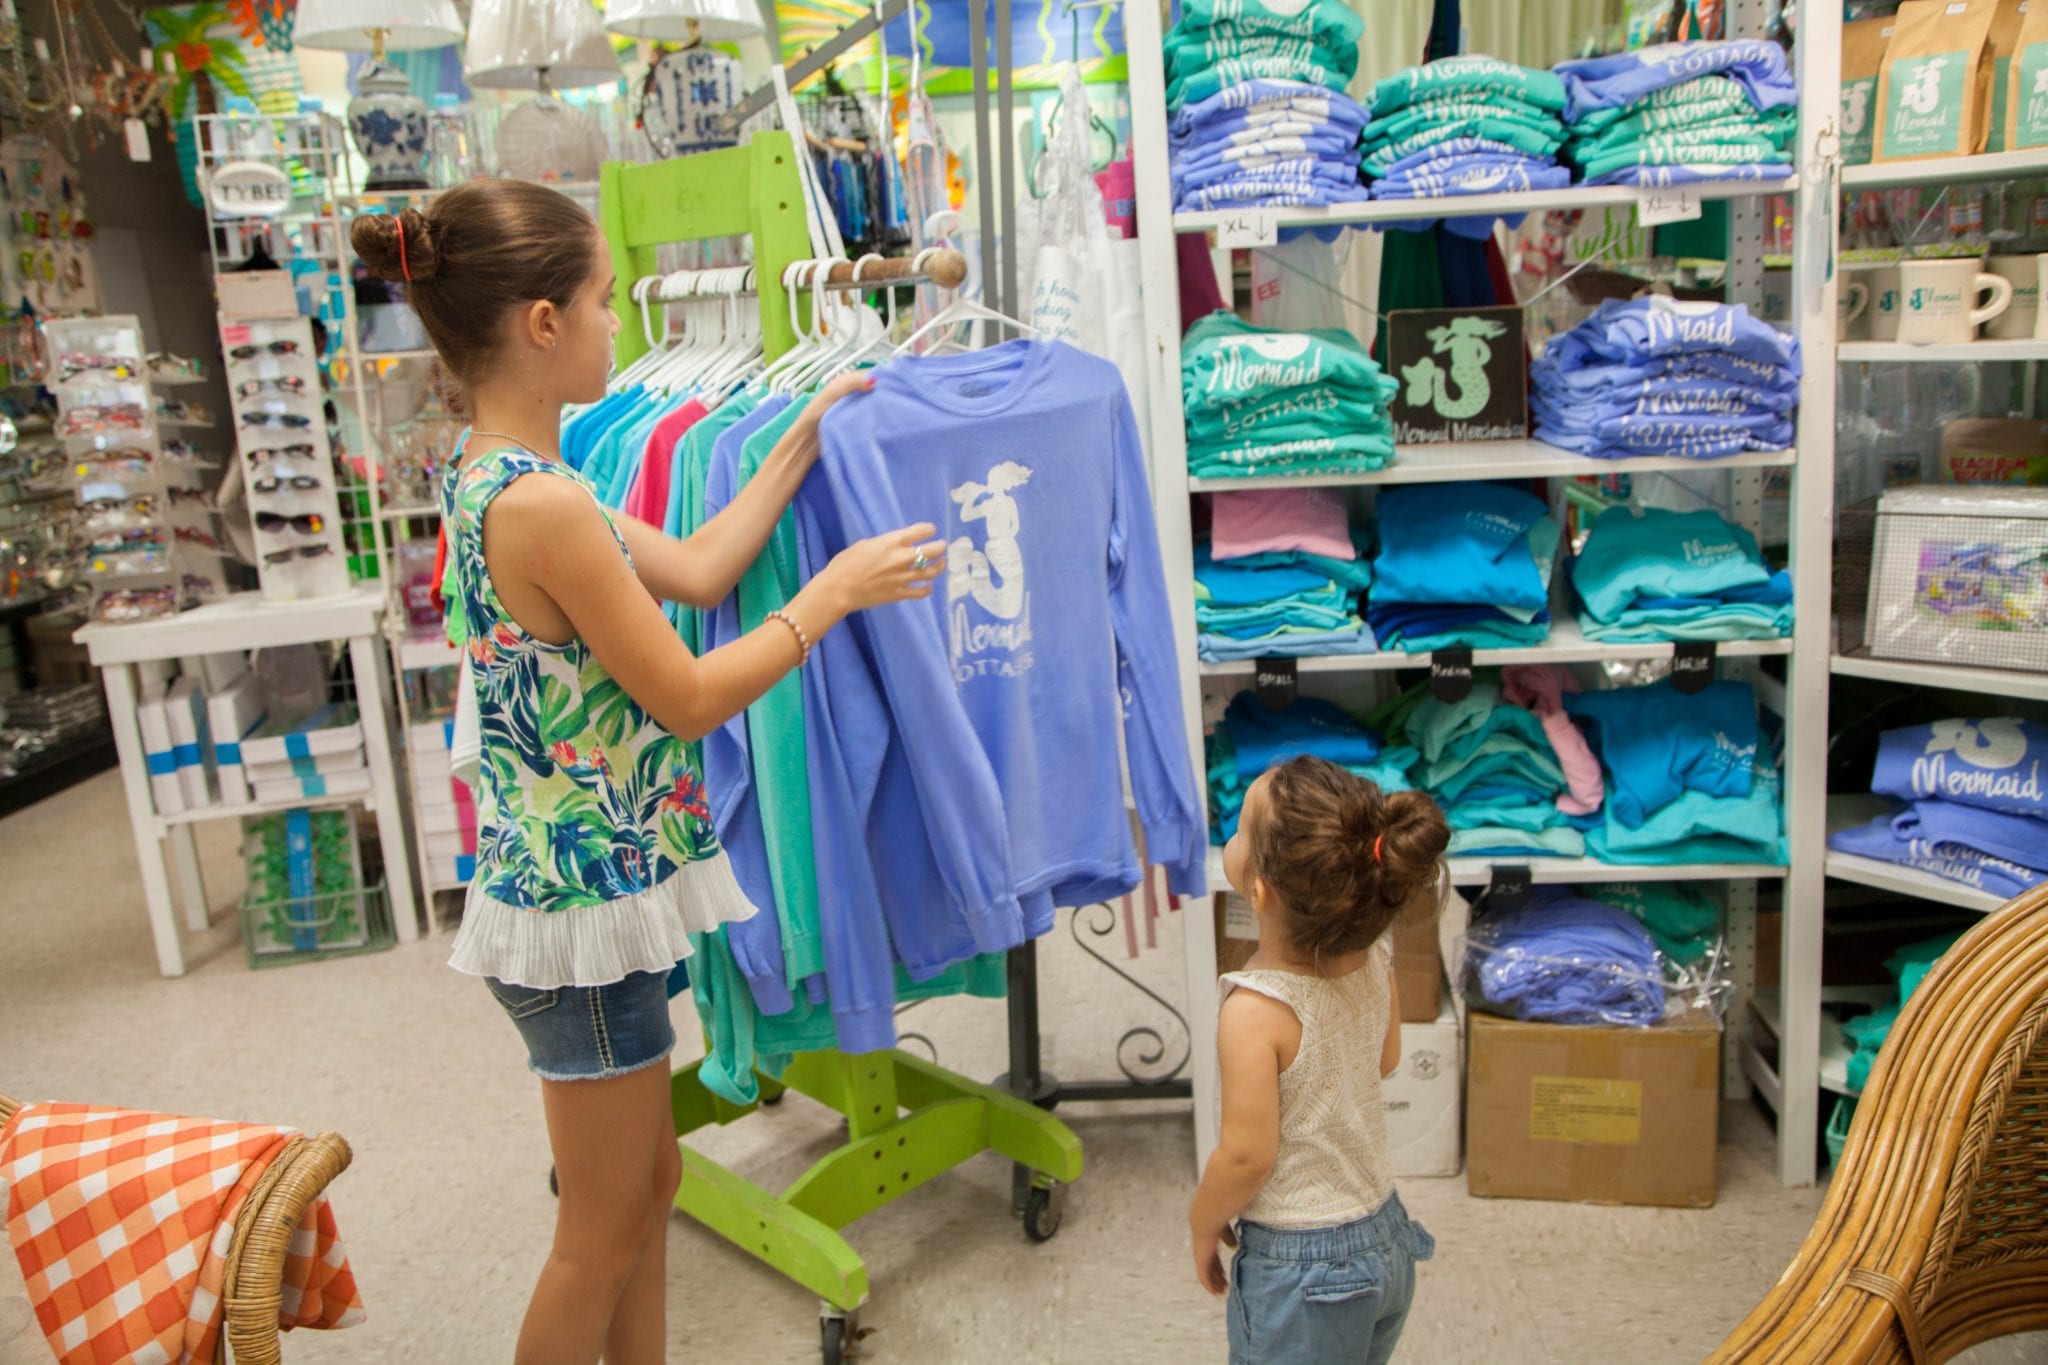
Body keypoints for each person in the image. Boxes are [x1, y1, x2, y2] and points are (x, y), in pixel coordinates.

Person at [352, 180, 943, 1365]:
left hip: (593, 896)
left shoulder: (508, 476)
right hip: (575, 916)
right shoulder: (544, 507)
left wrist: (800, 431)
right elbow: (685, 695)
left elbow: (704, 565)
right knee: (600, 1230)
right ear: (543, 324)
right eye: (604, 301)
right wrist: (830, 595)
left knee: (644, 1193)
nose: (620, 323)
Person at [1190, 755, 1449, 1364]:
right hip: (1386, 1235)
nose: (1232, 839)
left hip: (1302, 1271)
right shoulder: (1375, 956)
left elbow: (1247, 1157)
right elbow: (1385, 1058)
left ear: (1259, 889)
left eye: (1240, 831)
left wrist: (1203, 1221)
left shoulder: (1256, 1010)